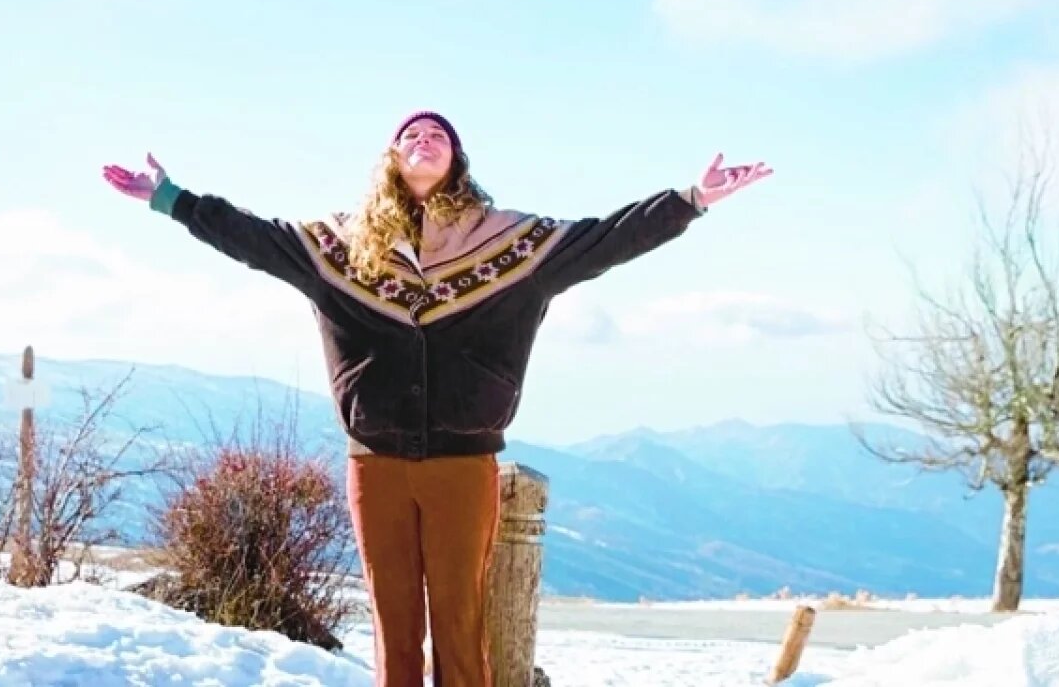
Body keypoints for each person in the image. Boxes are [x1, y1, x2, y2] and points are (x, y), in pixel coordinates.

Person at [102, 110, 772, 687]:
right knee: (394, 627)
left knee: (460, 623)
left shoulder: (512, 244)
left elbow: (610, 237)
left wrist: (692, 199)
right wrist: (171, 199)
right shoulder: (338, 247)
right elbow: (251, 236)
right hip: (375, 464)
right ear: (391, 156)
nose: (424, 139)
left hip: (463, 464)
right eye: (411, 134)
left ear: (457, 159)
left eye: (438, 135)